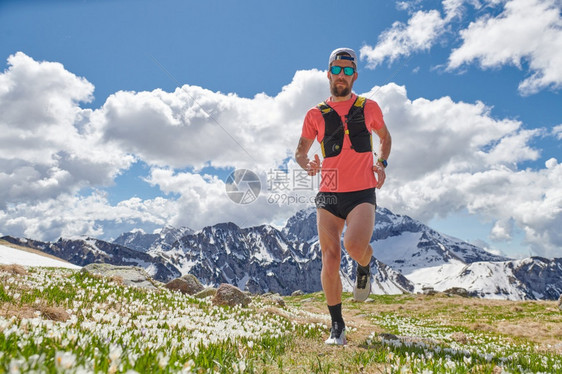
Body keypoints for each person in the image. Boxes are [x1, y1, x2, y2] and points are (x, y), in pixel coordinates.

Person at [294, 47, 392, 345]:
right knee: (330, 257)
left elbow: (385, 138)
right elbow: (300, 151)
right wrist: (306, 162)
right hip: (328, 194)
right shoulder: (315, 114)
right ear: (328, 74)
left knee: (354, 245)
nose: (342, 75)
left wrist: (382, 162)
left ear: (355, 76)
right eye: (337, 69)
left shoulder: (369, 107)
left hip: (361, 191)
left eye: (348, 71)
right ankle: (337, 326)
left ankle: (365, 263)